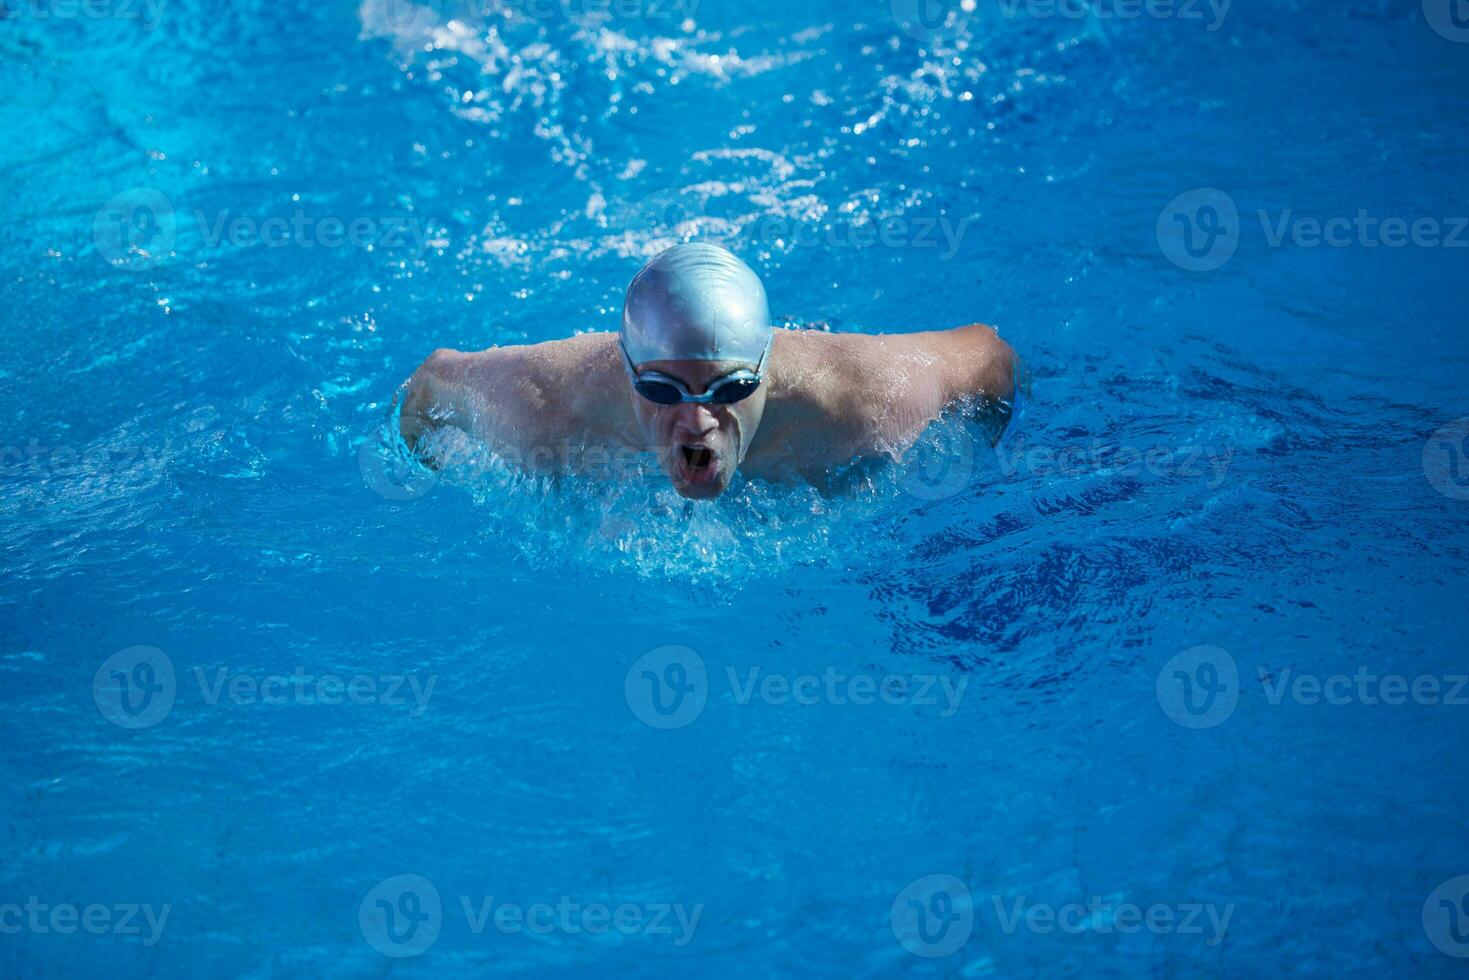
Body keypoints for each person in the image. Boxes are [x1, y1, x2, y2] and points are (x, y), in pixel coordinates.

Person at [399, 242, 1016, 499]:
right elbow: (430, 386)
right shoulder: (546, 412)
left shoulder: (858, 401)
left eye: (732, 388)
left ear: (768, 372)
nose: (696, 421)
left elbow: (989, 355)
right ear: (626, 370)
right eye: (662, 389)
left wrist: (991, 460)